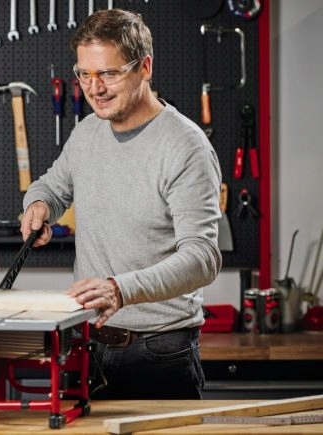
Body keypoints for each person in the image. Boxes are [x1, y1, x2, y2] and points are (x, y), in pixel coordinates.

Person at [20, 9, 222, 399]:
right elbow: (52, 187)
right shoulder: (87, 132)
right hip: (87, 344)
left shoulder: (185, 147)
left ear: (145, 67)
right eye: (84, 74)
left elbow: (202, 258)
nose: (94, 88)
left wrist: (120, 289)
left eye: (109, 73)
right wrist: (40, 204)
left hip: (159, 353)